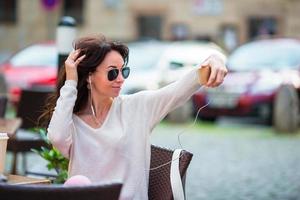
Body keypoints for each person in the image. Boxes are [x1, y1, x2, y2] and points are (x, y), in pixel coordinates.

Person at [44, 35, 227, 200]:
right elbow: (57, 138)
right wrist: (71, 83)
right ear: (89, 77)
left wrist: (215, 59)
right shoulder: (71, 120)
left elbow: (179, 90)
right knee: (78, 183)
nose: (121, 79)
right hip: (85, 195)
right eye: (112, 72)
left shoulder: (137, 107)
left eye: (123, 71)